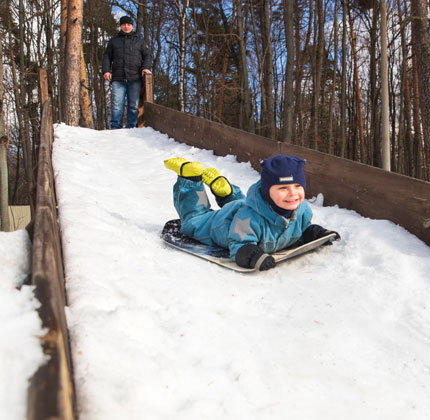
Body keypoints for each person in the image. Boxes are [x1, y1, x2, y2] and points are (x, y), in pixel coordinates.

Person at [164, 154, 339, 271]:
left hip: (241, 208)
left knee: (240, 203)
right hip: (219, 223)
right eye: (283, 188)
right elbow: (239, 244)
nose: (293, 193)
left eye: (298, 186)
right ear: (267, 191)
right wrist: (252, 255)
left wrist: (314, 233)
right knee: (193, 220)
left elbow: (301, 228)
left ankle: (226, 192)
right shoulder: (249, 219)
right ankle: (189, 178)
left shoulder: (301, 210)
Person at [102, 16, 152, 129]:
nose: (126, 26)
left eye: (128, 24)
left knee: (133, 106)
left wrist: (146, 67)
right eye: (124, 24)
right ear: (120, 26)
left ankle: (131, 128)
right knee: (116, 105)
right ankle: (115, 128)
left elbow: (147, 55)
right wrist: (106, 70)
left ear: (132, 26)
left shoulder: (139, 41)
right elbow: (107, 56)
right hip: (118, 78)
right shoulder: (113, 41)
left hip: (135, 78)